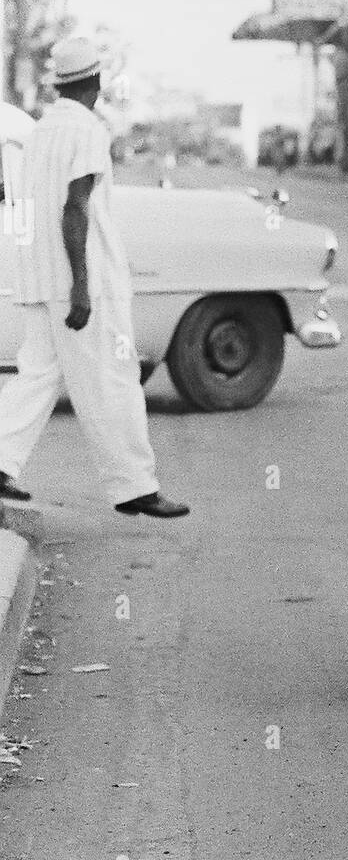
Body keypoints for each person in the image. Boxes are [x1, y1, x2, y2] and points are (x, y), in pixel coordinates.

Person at [0, 36, 188, 517]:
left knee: (39, 373)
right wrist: (81, 287)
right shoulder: (86, 129)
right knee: (114, 377)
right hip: (78, 282)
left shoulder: (41, 131)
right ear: (96, 81)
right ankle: (135, 487)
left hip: (39, 279)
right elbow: (75, 211)